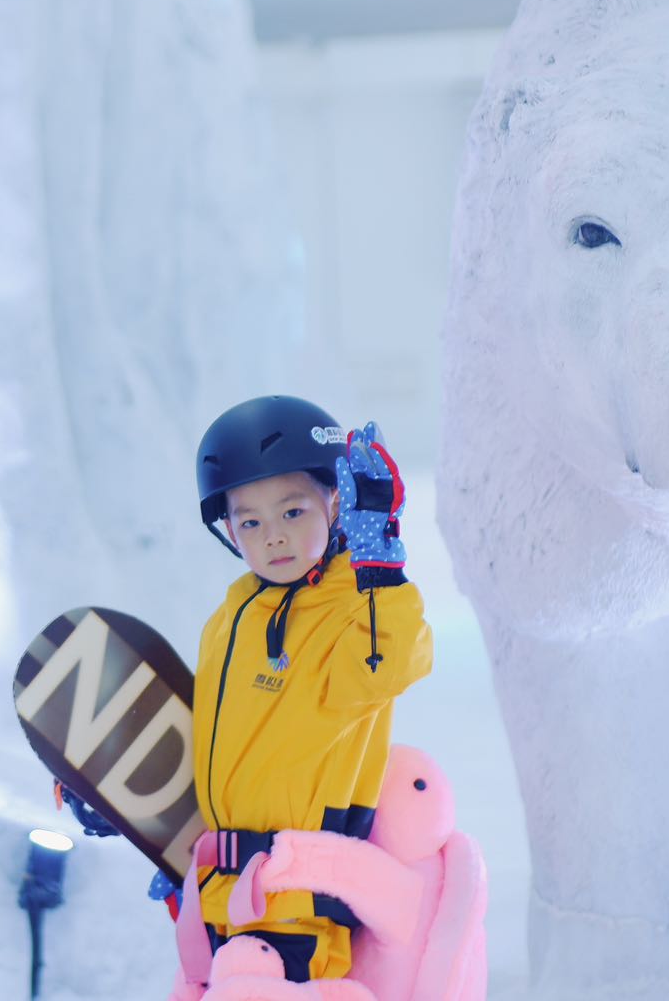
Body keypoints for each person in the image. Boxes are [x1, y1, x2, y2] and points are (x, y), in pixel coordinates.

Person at [187, 395, 432, 983]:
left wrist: (381, 573)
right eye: (251, 521)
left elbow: (390, 661)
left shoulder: (356, 606)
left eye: (293, 512)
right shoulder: (233, 616)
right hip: (220, 898)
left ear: (335, 500)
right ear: (228, 528)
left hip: (300, 903)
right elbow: (215, 746)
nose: (273, 537)